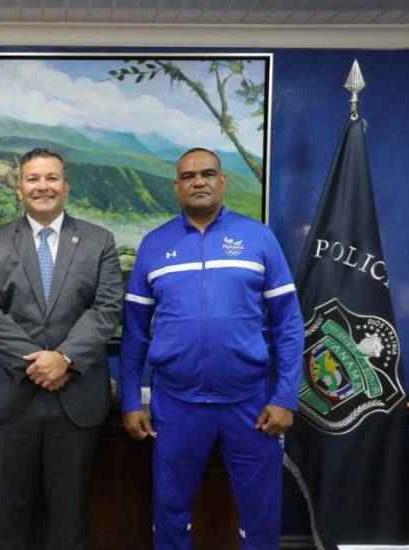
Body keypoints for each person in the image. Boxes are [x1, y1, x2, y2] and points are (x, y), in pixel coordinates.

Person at [119, 148, 304, 550]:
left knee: (261, 517)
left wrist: (286, 395)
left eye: (207, 174)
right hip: (176, 405)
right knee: (169, 516)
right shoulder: (154, 245)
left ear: (222, 181)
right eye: (188, 176)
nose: (197, 182)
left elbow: (288, 323)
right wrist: (130, 399)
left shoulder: (259, 238)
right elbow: (134, 333)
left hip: (251, 405)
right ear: (176, 186)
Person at [0, 148, 123, 550]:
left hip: (75, 399)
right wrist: (40, 363)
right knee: (9, 517)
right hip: (9, 398)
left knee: (69, 517)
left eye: (51, 178)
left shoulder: (98, 241)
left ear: (66, 187)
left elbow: (107, 308)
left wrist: (64, 359)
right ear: (19, 189)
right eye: (33, 179)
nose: (43, 186)